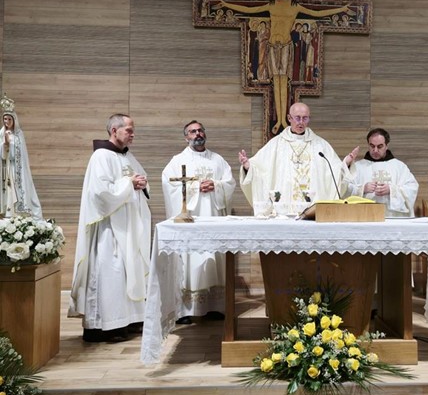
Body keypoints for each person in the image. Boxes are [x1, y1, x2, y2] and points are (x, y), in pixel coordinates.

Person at [217, 0, 352, 135]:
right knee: (276, 83)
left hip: (286, 46)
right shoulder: (271, 5)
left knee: (284, 84)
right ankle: (280, 120)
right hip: (272, 46)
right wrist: (227, 5)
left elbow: (317, 12)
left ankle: (283, 119)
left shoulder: (295, 6)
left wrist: (340, 10)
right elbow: (249, 10)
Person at [68, 114, 151, 342]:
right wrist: (129, 183)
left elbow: (140, 179)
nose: (133, 134)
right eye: (129, 130)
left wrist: (142, 183)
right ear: (114, 130)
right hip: (109, 228)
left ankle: (130, 320)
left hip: (127, 227)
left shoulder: (127, 156)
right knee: (110, 274)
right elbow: (100, 193)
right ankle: (105, 326)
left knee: (127, 272)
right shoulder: (101, 156)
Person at [162, 120, 235, 324]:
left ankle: (215, 306)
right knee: (190, 258)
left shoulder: (218, 160)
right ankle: (185, 310)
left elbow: (229, 183)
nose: (198, 134)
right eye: (193, 132)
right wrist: (195, 188)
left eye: (200, 130)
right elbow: (169, 184)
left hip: (213, 217)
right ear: (186, 137)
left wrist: (216, 185)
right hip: (191, 220)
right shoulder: (178, 161)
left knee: (214, 256)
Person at [239, 102, 352, 212]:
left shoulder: (320, 145)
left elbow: (334, 171)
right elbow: (260, 169)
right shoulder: (276, 144)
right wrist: (248, 167)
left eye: (305, 118)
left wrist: (346, 163)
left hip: (312, 211)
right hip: (284, 209)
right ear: (289, 118)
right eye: (297, 118)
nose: (301, 122)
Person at [345, 128, 419, 217]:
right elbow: (344, 189)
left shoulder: (399, 167)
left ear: (386, 146)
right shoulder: (358, 167)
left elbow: (412, 188)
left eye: (379, 146)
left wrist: (391, 190)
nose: (375, 150)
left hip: (393, 218)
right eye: (372, 146)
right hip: (366, 217)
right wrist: (362, 189)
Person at [0, 95, 42, 218]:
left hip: (16, 168)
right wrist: (4, 144)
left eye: (9, 119)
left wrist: (10, 144)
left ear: (14, 120)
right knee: (7, 189)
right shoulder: (1, 133)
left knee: (15, 189)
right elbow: (2, 155)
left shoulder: (19, 134)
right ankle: (7, 212)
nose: (7, 122)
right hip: (6, 168)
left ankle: (17, 212)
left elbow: (20, 154)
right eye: (5, 119)